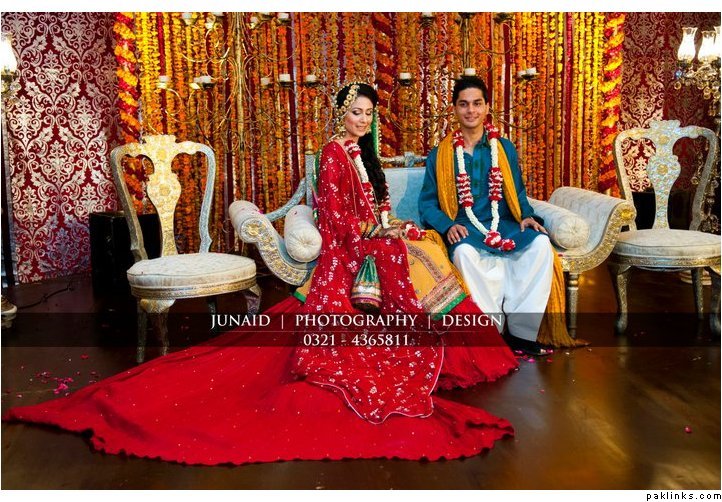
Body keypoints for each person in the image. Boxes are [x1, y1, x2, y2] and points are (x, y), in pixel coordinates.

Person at [3, 82, 518, 466]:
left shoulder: (363, 152)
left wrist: (391, 224)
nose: (362, 120)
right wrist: (375, 233)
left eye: (367, 113)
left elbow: (371, 205)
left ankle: (456, 344)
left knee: (422, 247)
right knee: (404, 257)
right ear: (340, 115)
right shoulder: (333, 154)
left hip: (368, 237)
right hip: (348, 249)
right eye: (355, 113)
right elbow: (334, 218)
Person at [419, 76, 577, 356]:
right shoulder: (440, 155)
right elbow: (427, 204)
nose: (471, 110)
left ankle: (522, 334)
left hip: (504, 224)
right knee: (464, 254)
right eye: (464, 104)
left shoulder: (502, 148)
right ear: (454, 109)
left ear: (487, 107)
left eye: (477, 103)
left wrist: (526, 215)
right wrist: (448, 225)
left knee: (540, 245)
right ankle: (491, 334)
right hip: (466, 228)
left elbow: (517, 190)